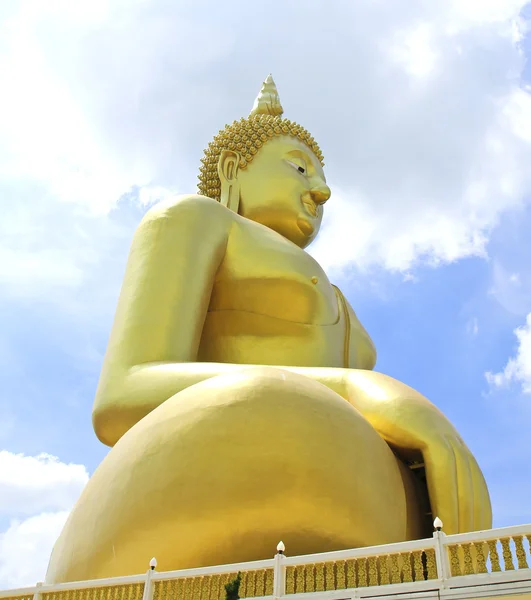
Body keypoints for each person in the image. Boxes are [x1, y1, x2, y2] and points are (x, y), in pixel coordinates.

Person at [46, 76, 491, 583]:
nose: (320, 190)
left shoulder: (339, 298)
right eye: (299, 167)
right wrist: (345, 388)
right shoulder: (197, 219)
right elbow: (121, 396)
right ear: (234, 168)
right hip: (219, 471)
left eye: (320, 176)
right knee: (269, 400)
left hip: (351, 502)